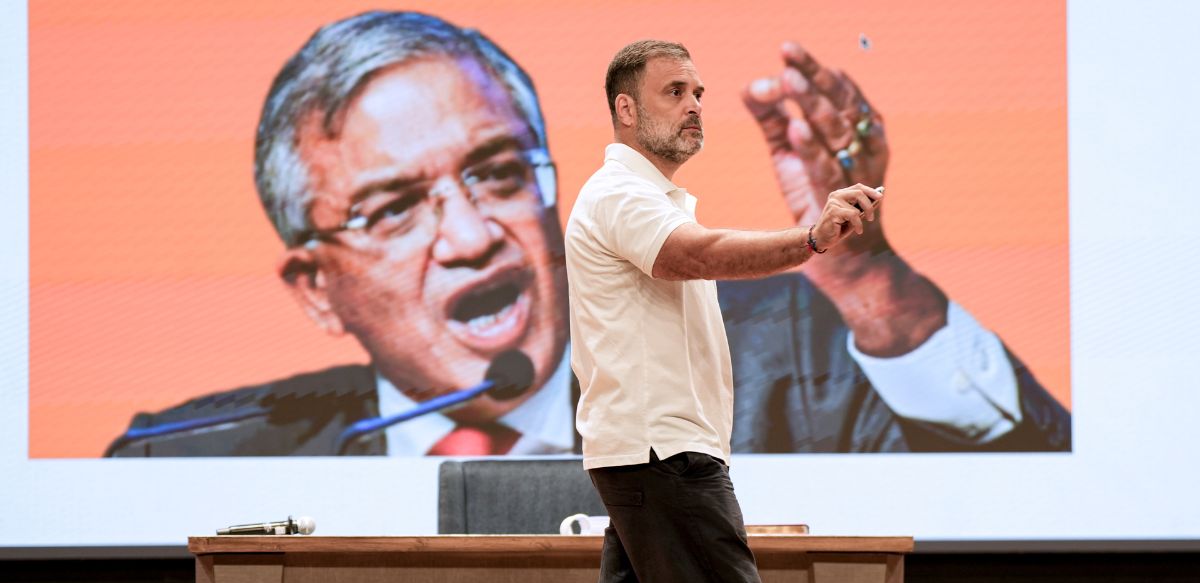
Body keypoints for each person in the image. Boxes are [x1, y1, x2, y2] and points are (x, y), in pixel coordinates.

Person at [105, 10, 1069, 458]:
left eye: (495, 171)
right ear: (316, 287)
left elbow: (1028, 485)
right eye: (396, 206)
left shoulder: (797, 350)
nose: (476, 234)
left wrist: (859, 275)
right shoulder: (196, 455)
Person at [568, 39, 890, 583]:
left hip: (651, 456)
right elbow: (695, 253)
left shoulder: (649, 199)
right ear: (625, 109)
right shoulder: (618, 195)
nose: (694, 106)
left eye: (698, 94)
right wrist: (811, 239)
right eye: (675, 93)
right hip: (663, 456)